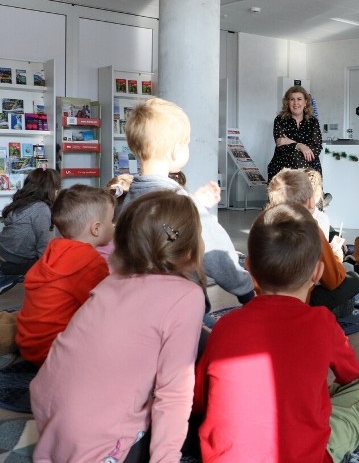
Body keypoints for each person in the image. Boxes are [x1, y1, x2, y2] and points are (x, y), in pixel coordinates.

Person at [193, 203, 359, 462]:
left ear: (250, 270)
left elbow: (199, 401)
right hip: (304, 456)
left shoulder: (225, 327)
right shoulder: (321, 322)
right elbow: (354, 378)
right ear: (317, 273)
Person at [30, 190, 206, 462]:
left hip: (49, 413)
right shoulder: (188, 296)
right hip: (96, 442)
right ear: (191, 246)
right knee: (198, 426)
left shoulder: (111, 280)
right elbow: (173, 394)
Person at [118, 98, 255, 304]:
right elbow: (217, 255)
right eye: (187, 143)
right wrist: (245, 289)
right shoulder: (184, 207)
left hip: (137, 303)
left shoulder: (127, 199)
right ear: (175, 150)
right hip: (181, 308)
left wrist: (194, 200)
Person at [16, 185, 114, 366]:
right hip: (56, 352)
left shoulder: (54, 250)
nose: (114, 225)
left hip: (29, 345)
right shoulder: (90, 262)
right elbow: (103, 309)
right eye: (111, 221)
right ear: (97, 229)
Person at [267, 169, 359, 317]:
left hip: (267, 302)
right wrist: (336, 255)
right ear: (312, 200)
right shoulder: (312, 230)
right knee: (354, 279)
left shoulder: (263, 224)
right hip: (301, 303)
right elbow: (333, 281)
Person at [0, 168, 60, 294]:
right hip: (16, 261)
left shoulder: (21, 204)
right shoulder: (41, 209)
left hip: (3, 253)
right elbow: (44, 248)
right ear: (50, 189)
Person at [267, 85, 323, 180]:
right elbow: (280, 144)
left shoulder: (313, 121)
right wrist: (300, 146)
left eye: (299, 99)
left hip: (309, 169)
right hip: (283, 169)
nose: (295, 103)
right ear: (287, 102)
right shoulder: (280, 120)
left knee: (309, 190)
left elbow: (317, 147)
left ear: (305, 102)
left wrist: (288, 141)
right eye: (292, 99)